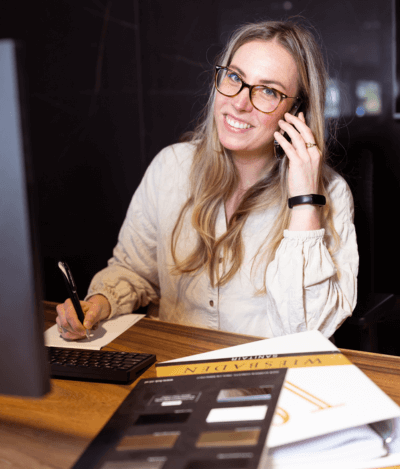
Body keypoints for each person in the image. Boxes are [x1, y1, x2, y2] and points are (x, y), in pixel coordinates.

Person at [56, 20, 358, 341]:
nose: (239, 103)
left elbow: (308, 334)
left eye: (268, 91)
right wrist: (98, 303)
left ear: (297, 111)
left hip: (267, 369)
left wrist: (305, 201)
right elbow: (134, 271)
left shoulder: (331, 194)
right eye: (234, 77)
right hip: (173, 361)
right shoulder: (171, 166)